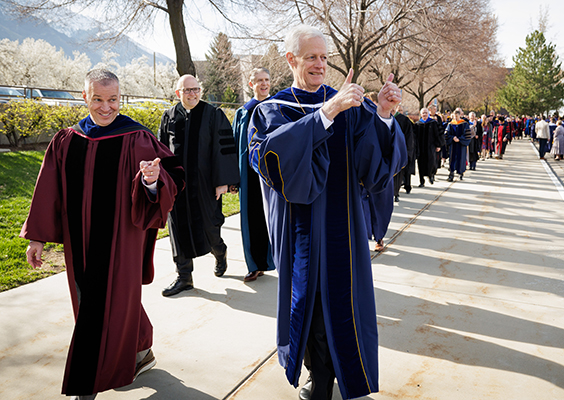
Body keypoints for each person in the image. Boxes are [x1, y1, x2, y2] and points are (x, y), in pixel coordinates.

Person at [248, 25, 407, 400]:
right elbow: (269, 159)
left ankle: (344, 375)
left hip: (344, 228)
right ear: (291, 60)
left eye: (324, 57)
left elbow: (375, 167)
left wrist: (383, 114)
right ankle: (318, 376)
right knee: (310, 305)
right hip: (299, 228)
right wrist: (324, 114)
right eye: (311, 58)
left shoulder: (349, 105)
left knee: (346, 303)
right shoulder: (272, 110)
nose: (320, 65)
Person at [20, 69, 184, 400]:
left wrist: (152, 180)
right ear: (85, 97)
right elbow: (48, 189)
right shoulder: (68, 140)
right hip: (79, 243)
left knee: (101, 308)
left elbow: (174, 175)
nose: (106, 108)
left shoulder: (136, 137)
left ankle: (87, 385)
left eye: (113, 100)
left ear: (120, 99)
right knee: (107, 303)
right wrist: (37, 236)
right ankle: (141, 350)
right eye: (98, 99)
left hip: (121, 242)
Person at [159, 75, 240, 296]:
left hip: (205, 183)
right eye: (187, 90)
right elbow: (161, 150)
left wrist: (223, 182)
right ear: (178, 93)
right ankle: (184, 277)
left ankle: (219, 251)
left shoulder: (213, 114)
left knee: (209, 225)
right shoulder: (168, 117)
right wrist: (163, 182)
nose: (192, 93)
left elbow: (223, 149)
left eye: (195, 89)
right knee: (177, 229)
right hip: (177, 184)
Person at [232, 67, 276, 281]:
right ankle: (254, 264)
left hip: (272, 173)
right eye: (259, 80)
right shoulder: (243, 112)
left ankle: (275, 260)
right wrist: (231, 178)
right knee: (251, 219)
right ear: (251, 84)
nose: (263, 83)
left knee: (273, 218)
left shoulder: (277, 108)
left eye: (266, 79)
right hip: (248, 174)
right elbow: (233, 145)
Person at [414, 107, 444, 187]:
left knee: (431, 162)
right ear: (420, 114)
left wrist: (438, 145)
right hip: (421, 147)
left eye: (426, 113)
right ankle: (421, 181)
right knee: (420, 164)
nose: (424, 114)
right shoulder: (417, 124)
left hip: (431, 146)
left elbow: (438, 134)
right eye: (423, 113)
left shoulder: (433, 123)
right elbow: (414, 137)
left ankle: (431, 175)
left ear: (428, 114)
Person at [392, 104, 416, 201]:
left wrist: (407, 151)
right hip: (387, 151)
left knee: (398, 173)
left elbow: (409, 138)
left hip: (399, 151)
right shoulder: (382, 116)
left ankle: (396, 193)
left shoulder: (404, 120)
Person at [445, 109, 471, 181]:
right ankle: (451, 174)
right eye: (454, 116)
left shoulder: (464, 124)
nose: (456, 118)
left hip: (461, 144)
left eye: (457, 116)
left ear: (460, 115)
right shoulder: (450, 124)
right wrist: (452, 137)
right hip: (453, 144)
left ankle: (461, 172)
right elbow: (447, 134)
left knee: (461, 158)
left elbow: (467, 135)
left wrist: (460, 139)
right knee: (452, 159)